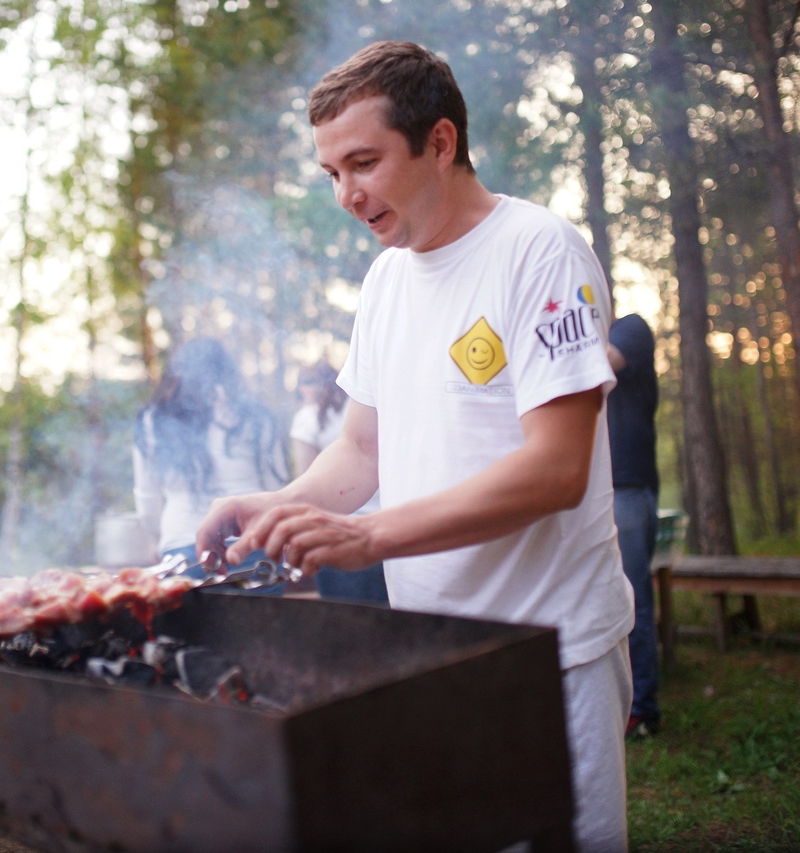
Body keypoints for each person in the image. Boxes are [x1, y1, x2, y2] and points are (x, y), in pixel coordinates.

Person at [195, 41, 634, 852]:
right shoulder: (386, 281)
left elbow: (557, 468)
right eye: (332, 172)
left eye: (363, 163)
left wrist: (369, 536)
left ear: (439, 142)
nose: (345, 194)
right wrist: (274, 505)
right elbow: (361, 450)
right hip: (429, 654)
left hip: (546, 654)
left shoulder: (540, 251)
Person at [133, 337, 287, 583]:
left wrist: (157, 540)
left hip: (184, 551)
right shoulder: (252, 412)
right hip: (255, 545)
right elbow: (277, 488)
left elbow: (147, 498)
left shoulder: (153, 418)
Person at [290, 360, 389, 604]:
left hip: (336, 535)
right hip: (386, 529)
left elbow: (306, 477)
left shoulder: (307, 418)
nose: (302, 391)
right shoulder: (368, 410)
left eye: (305, 384)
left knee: (342, 618)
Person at [607, 313, 661, 740]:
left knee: (633, 599)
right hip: (589, 492)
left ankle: (641, 710)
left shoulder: (629, 329)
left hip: (627, 489)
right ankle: (612, 700)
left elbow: (603, 361)